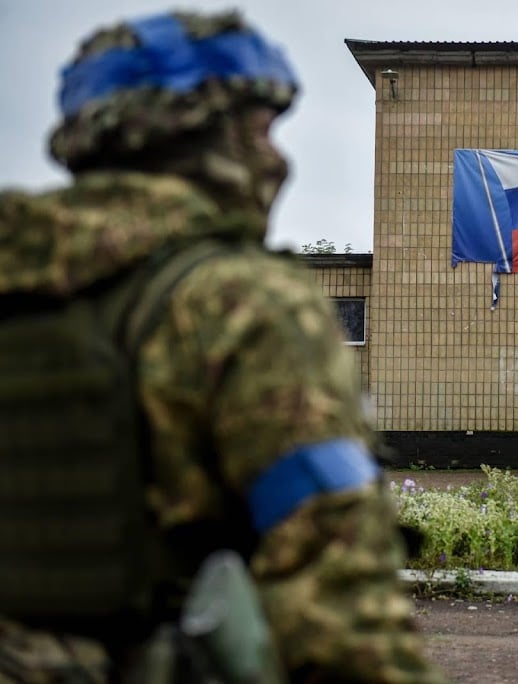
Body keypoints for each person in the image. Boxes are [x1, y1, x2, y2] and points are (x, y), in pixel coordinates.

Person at [0, 9, 446, 683]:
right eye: (261, 130)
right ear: (205, 136)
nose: (278, 160)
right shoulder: (241, 304)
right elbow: (337, 602)